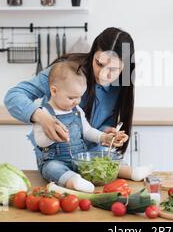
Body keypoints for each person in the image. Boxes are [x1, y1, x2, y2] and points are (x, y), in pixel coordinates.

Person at [5, 27, 152, 184]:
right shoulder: (66, 73)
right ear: (92, 54)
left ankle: (132, 171)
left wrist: (106, 134)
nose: (104, 74)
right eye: (99, 64)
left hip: (90, 154)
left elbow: (97, 127)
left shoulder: (119, 86)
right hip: (58, 155)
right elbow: (14, 96)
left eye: (113, 69)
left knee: (108, 161)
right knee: (55, 169)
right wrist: (41, 117)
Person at [31, 60, 128, 192]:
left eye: (79, 97)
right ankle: (73, 181)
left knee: (102, 159)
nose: (76, 102)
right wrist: (53, 136)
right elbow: (40, 142)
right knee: (52, 169)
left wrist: (104, 137)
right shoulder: (44, 114)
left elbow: (87, 131)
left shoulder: (76, 110)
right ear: (54, 91)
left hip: (79, 158)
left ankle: (130, 171)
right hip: (55, 159)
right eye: (71, 98)